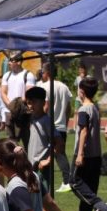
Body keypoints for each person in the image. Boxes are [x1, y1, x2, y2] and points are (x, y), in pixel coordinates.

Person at [72, 78, 103, 211]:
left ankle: (99, 205)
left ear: (82, 91)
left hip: (85, 153)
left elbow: (83, 131)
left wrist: (80, 153)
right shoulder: (95, 107)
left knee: (74, 182)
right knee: (90, 185)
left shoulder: (84, 109)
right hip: (96, 155)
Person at [39, 62, 74, 192]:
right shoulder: (64, 87)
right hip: (61, 125)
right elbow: (68, 108)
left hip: (49, 126)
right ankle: (67, 181)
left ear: (47, 73)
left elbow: (45, 107)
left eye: (42, 72)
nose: (42, 74)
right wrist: (65, 121)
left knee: (49, 155)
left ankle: (65, 181)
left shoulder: (44, 87)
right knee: (60, 155)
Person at [0, 54, 36, 122]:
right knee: (9, 132)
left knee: (21, 132)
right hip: (9, 112)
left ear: (19, 62)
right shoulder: (6, 75)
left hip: (22, 113)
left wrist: (17, 107)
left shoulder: (28, 75)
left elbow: (29, 94)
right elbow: (3, 92)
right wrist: (11, 106)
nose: (9, 63)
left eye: (11, 60)